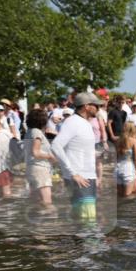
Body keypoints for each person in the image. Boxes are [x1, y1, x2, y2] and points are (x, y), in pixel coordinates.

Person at [51, 92, 101, 221]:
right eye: (96, 105)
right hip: (79, 178)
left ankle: (82, 240)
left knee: (84, 220)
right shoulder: (72, 122)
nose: (98, 108)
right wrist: (73, 174)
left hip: (88, 177)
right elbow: (56, 146)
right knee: (88, 221)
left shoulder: (84, 123)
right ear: (86, 106)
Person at [24, 107, 56, 209]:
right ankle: (50, 222)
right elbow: (36, 152)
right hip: (40, 169)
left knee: (38, 202)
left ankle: (37, 223)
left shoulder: (29, 131)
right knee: (47, 203)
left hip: (32, 169)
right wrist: (51, 156)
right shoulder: (37, 132)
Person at [115, 122, 136, 198]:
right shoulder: (133, 140)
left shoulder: (118, 140)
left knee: (119, 195)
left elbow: (116, 157)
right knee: (128, 196)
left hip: (118, 168)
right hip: (128, 168)